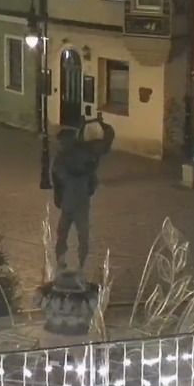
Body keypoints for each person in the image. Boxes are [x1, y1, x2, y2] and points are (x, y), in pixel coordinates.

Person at [51, 113, 114, 273]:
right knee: (75, 235)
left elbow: (58, 177)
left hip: (73, 203)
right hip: (76, 202)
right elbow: (106, 142)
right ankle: (75, 265)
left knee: (69, 235)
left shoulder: (65, 158)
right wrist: (103, 125)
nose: (60, 146)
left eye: (61, 143)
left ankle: (70, 265)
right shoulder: (83, 152)